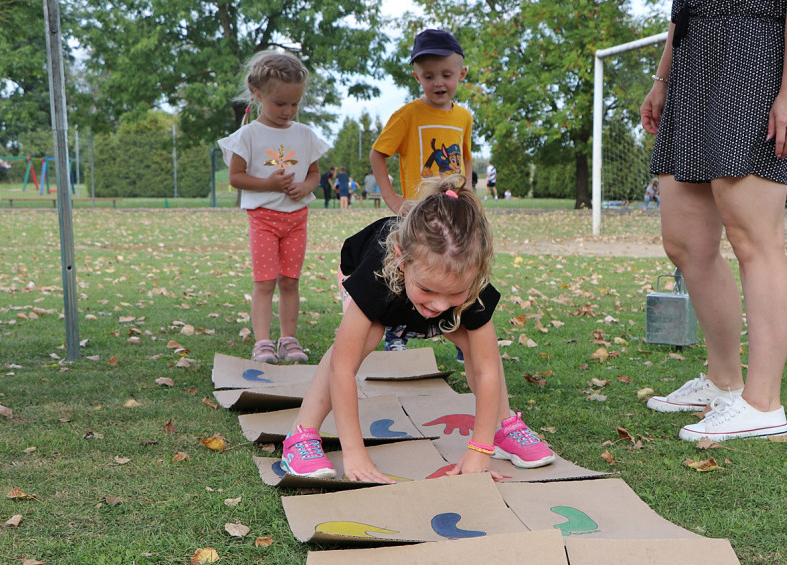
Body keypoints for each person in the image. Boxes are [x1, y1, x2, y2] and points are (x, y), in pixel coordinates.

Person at [279, 175, 556, 481]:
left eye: (453, 293)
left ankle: (502, 427)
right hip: (375, 282)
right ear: (401, 259)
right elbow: (343, 369)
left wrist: (479, 450)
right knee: (362, 340)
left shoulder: (470, 285)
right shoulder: (377, 275)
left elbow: (488, 370)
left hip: (419, 287)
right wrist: (355, 453)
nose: (438, 305)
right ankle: (301, 434)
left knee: (475, 345)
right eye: (430, 291)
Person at [639, 0, 787, 442]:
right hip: (692, 57)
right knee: (684, 241)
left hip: (752, 51)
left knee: (754, 238)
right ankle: (723, 383)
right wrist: (663, 78)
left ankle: (763, 404)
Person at [218, 50, 328, 364]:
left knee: (290, 281)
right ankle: (263, 343)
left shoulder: (305, 135)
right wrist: (271, 184)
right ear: (257, 93)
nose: (288, 110)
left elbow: (314, 174)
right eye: (280, 103)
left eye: (295, 103)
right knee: (265, 281)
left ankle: (289, 341)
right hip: (263, 219)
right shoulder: (248, 136)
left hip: (296, 219)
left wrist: (304, 187)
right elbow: (236, 178)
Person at [370, 28, 474, 356]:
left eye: (446, 74)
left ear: (462, 73)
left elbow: (466, 158)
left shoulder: (464, 116)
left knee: (459, 269)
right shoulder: (407, 116)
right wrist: (392, 199)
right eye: (429, 76)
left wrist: (469, 193)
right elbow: (378, 154)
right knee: (408, 272)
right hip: (417, 217)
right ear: (417, 76)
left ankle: (461, 331)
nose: (439, 82)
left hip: (454, 214)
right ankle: (397, 331)